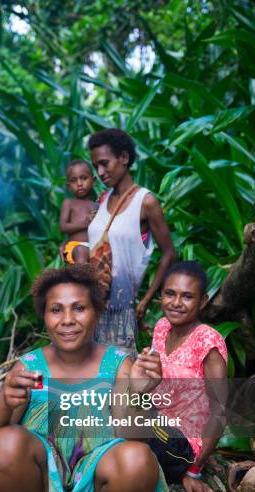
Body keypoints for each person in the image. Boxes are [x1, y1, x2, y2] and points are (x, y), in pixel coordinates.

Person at [0, 265, 169, 492]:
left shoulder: (117, 364)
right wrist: (4, 401)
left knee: (137, 455)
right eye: (56, 310)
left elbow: (132, 436)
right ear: (44, 317)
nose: (68, 319)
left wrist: (138, 392)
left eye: (79, 308)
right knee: (6, 440)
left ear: (97, 313)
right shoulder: (31, 368)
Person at [138, 261, 228, 492]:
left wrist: (194, 470)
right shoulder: (162, 327)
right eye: (170, 293)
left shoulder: (207, 342)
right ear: (161, 296)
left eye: (187, 296)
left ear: (202, 301)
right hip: (155, 421)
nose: (176, 302)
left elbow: (220, 411)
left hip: (182, 443)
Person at [88, 128, 176, 355]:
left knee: (118, 379)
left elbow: (169, 253)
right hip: (90, 305)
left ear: (124, 158)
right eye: (96, 166)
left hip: (121, 310)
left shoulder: (145, 202)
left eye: (104, 163)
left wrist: (145, 300)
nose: (100, 172)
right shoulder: (102, 200)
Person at [59, 160, 98, 264]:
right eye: (73, 181)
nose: (79, 184)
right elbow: (63, 227)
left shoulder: (97, 206)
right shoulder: (69, 203)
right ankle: (83, 279)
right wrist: (85, 223)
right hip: (74, 248)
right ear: (69, 186)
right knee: (81, 251)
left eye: (84, 178)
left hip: (94, 248)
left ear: (93, 181)